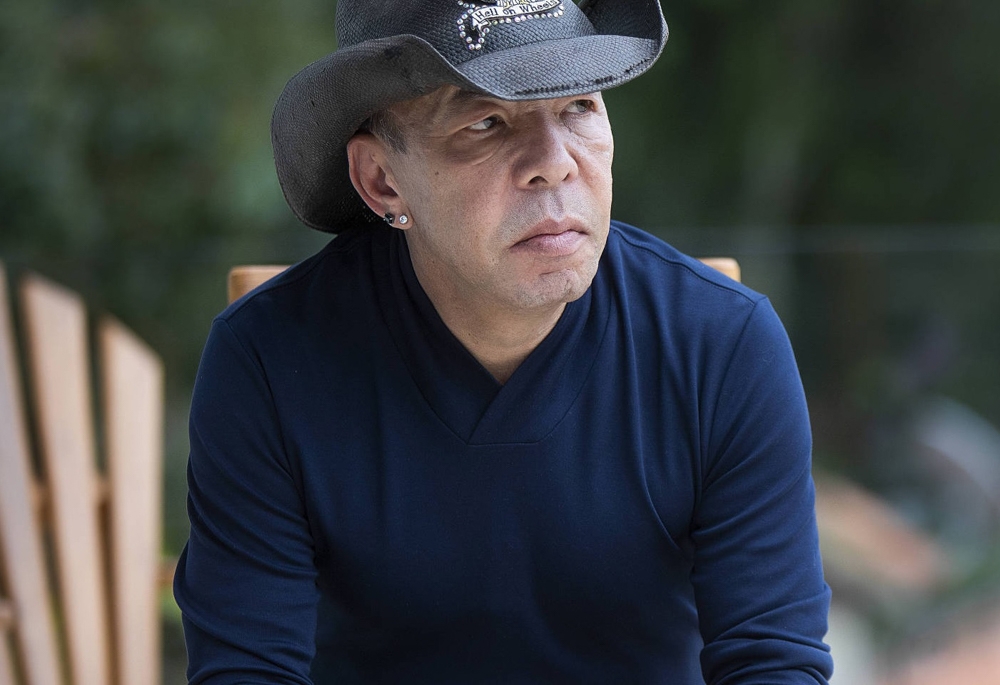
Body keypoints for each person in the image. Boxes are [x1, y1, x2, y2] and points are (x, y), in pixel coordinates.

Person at [173, 0, 834, 682]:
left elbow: (772, 662)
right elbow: (248, 669)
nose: (554, 163)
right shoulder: (271, 360)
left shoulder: (720, 346)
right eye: (485, 122)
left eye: (578, 105)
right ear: (381, 179)